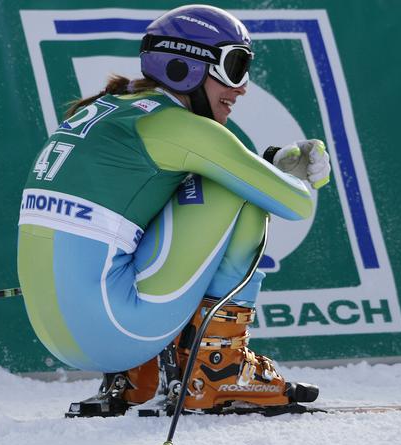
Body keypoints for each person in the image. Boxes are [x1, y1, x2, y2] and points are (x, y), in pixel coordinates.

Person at [17, 4, 331, 414]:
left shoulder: (109, 108)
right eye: (235, 66)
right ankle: (217, 372)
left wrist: (268, 164)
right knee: (236, 188)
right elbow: (295, 204)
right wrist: (295, 171)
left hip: (56, 334)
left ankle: (139, 377)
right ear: (187, 66)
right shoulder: (182, 127)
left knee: (190, 184)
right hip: (117, 328)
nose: (242, 88)